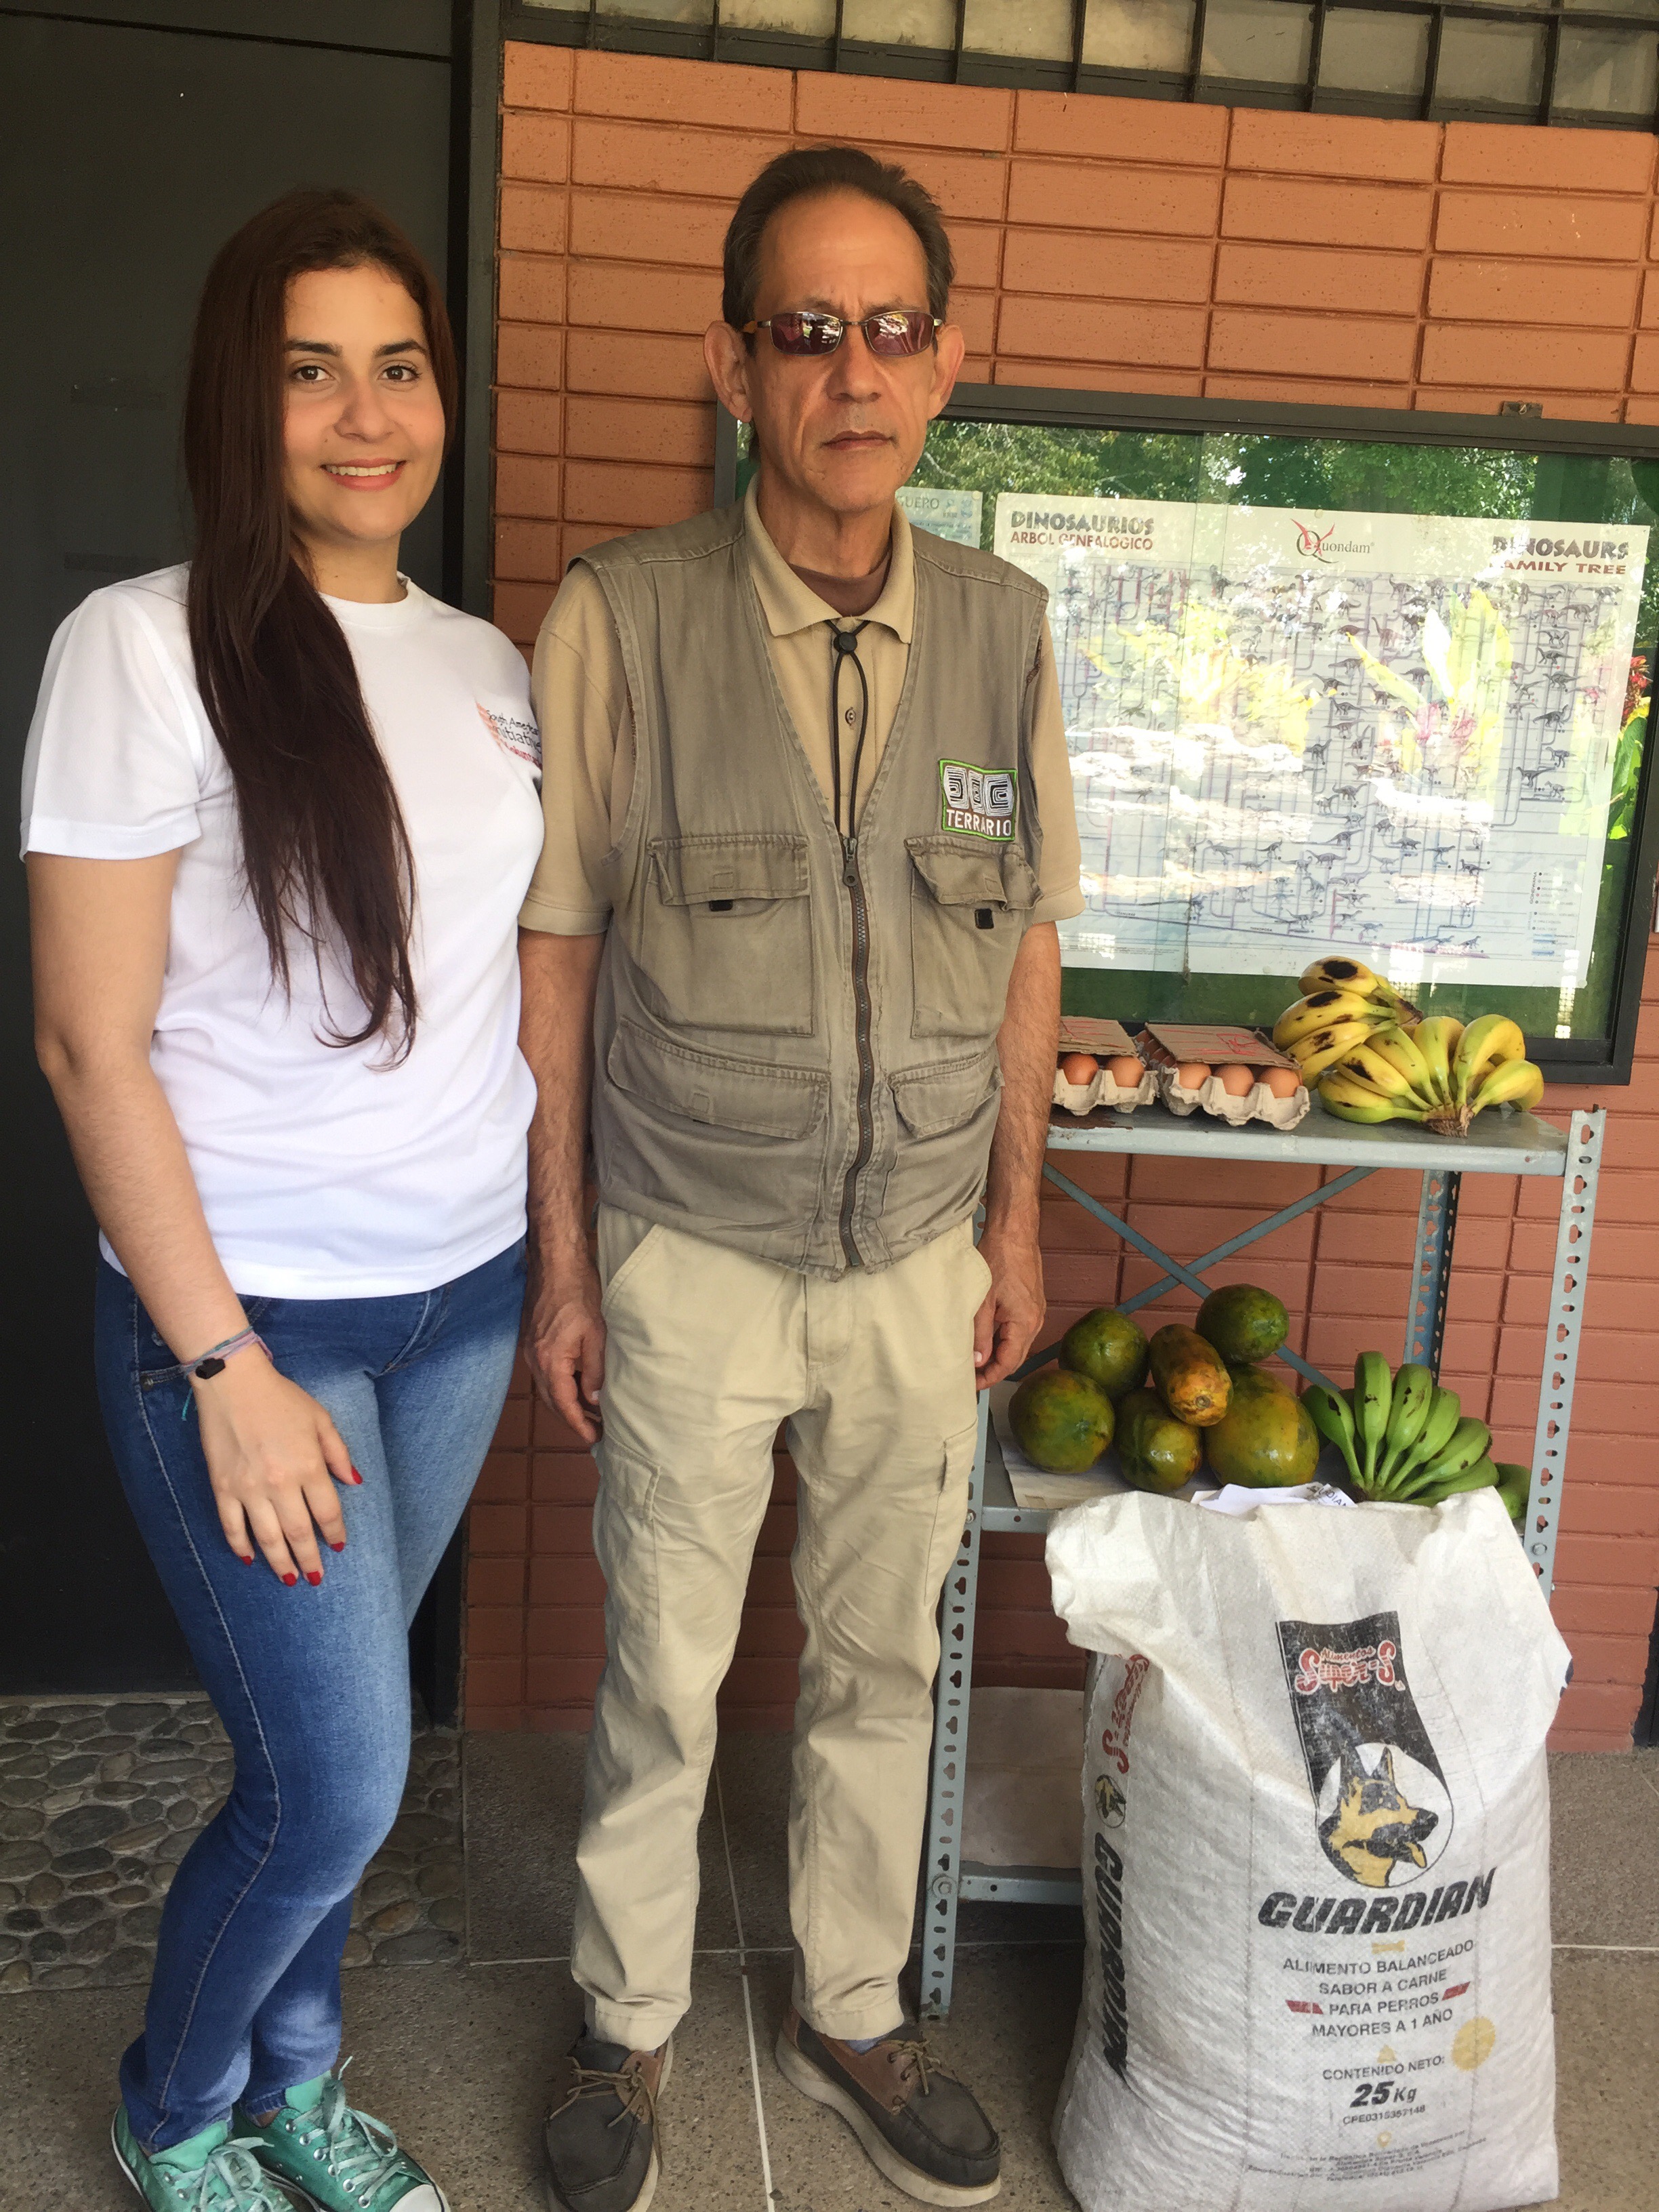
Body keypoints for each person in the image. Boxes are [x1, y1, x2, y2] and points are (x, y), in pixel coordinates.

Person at [521, 145, 1082, 2210]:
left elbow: (1028, 944)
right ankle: (625, 2028)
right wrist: (567, 1272)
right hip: (689, 1254)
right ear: (735, 363)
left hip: (917, 1262)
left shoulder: (1008, 630)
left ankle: (853, 2001)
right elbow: (557, 960)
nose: (859, 371)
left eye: (898, 329)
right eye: (809, 330)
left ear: (954, 362)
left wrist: (1012, 1234)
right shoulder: (626, 620)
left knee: (881, 1660)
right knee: (662, 1669)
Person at [23, 190, 544, 2212]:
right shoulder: (141, 649)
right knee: (336, 1779)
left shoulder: (490, 664)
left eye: (395, 365)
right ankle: (175, 2108)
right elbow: (90, 1043)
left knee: (339, 1776)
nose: (361, 414)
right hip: (255, 1324)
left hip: (461, 1301)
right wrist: (220, 1357)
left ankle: (298, 2088)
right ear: (242, 402)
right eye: (307, 369)